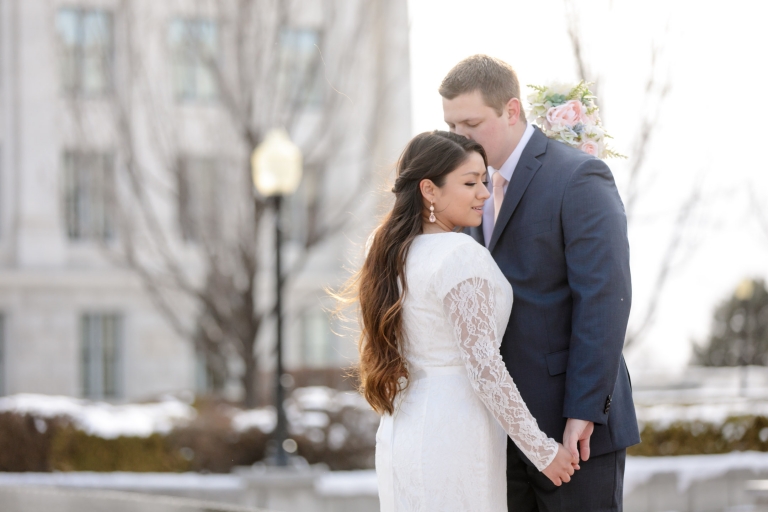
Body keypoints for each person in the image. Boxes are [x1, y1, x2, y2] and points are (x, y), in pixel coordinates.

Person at [440, 54, 640, 511]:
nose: (458, 139)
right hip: (500, 432)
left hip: (574, 432)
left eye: (471, 124)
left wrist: (583, 411)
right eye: (451, 127)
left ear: (512, 111)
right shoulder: (468, 191)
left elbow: (604, 299)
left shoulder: (578, 176)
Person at [346, 130, 579, 511]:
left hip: (401, 428)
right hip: (454, 432)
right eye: (470, 182)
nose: (484, 194)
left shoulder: (385, 250)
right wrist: (543, 451)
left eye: (484, 182)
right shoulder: (458, 254)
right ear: (429, 190)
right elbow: (485, 367)